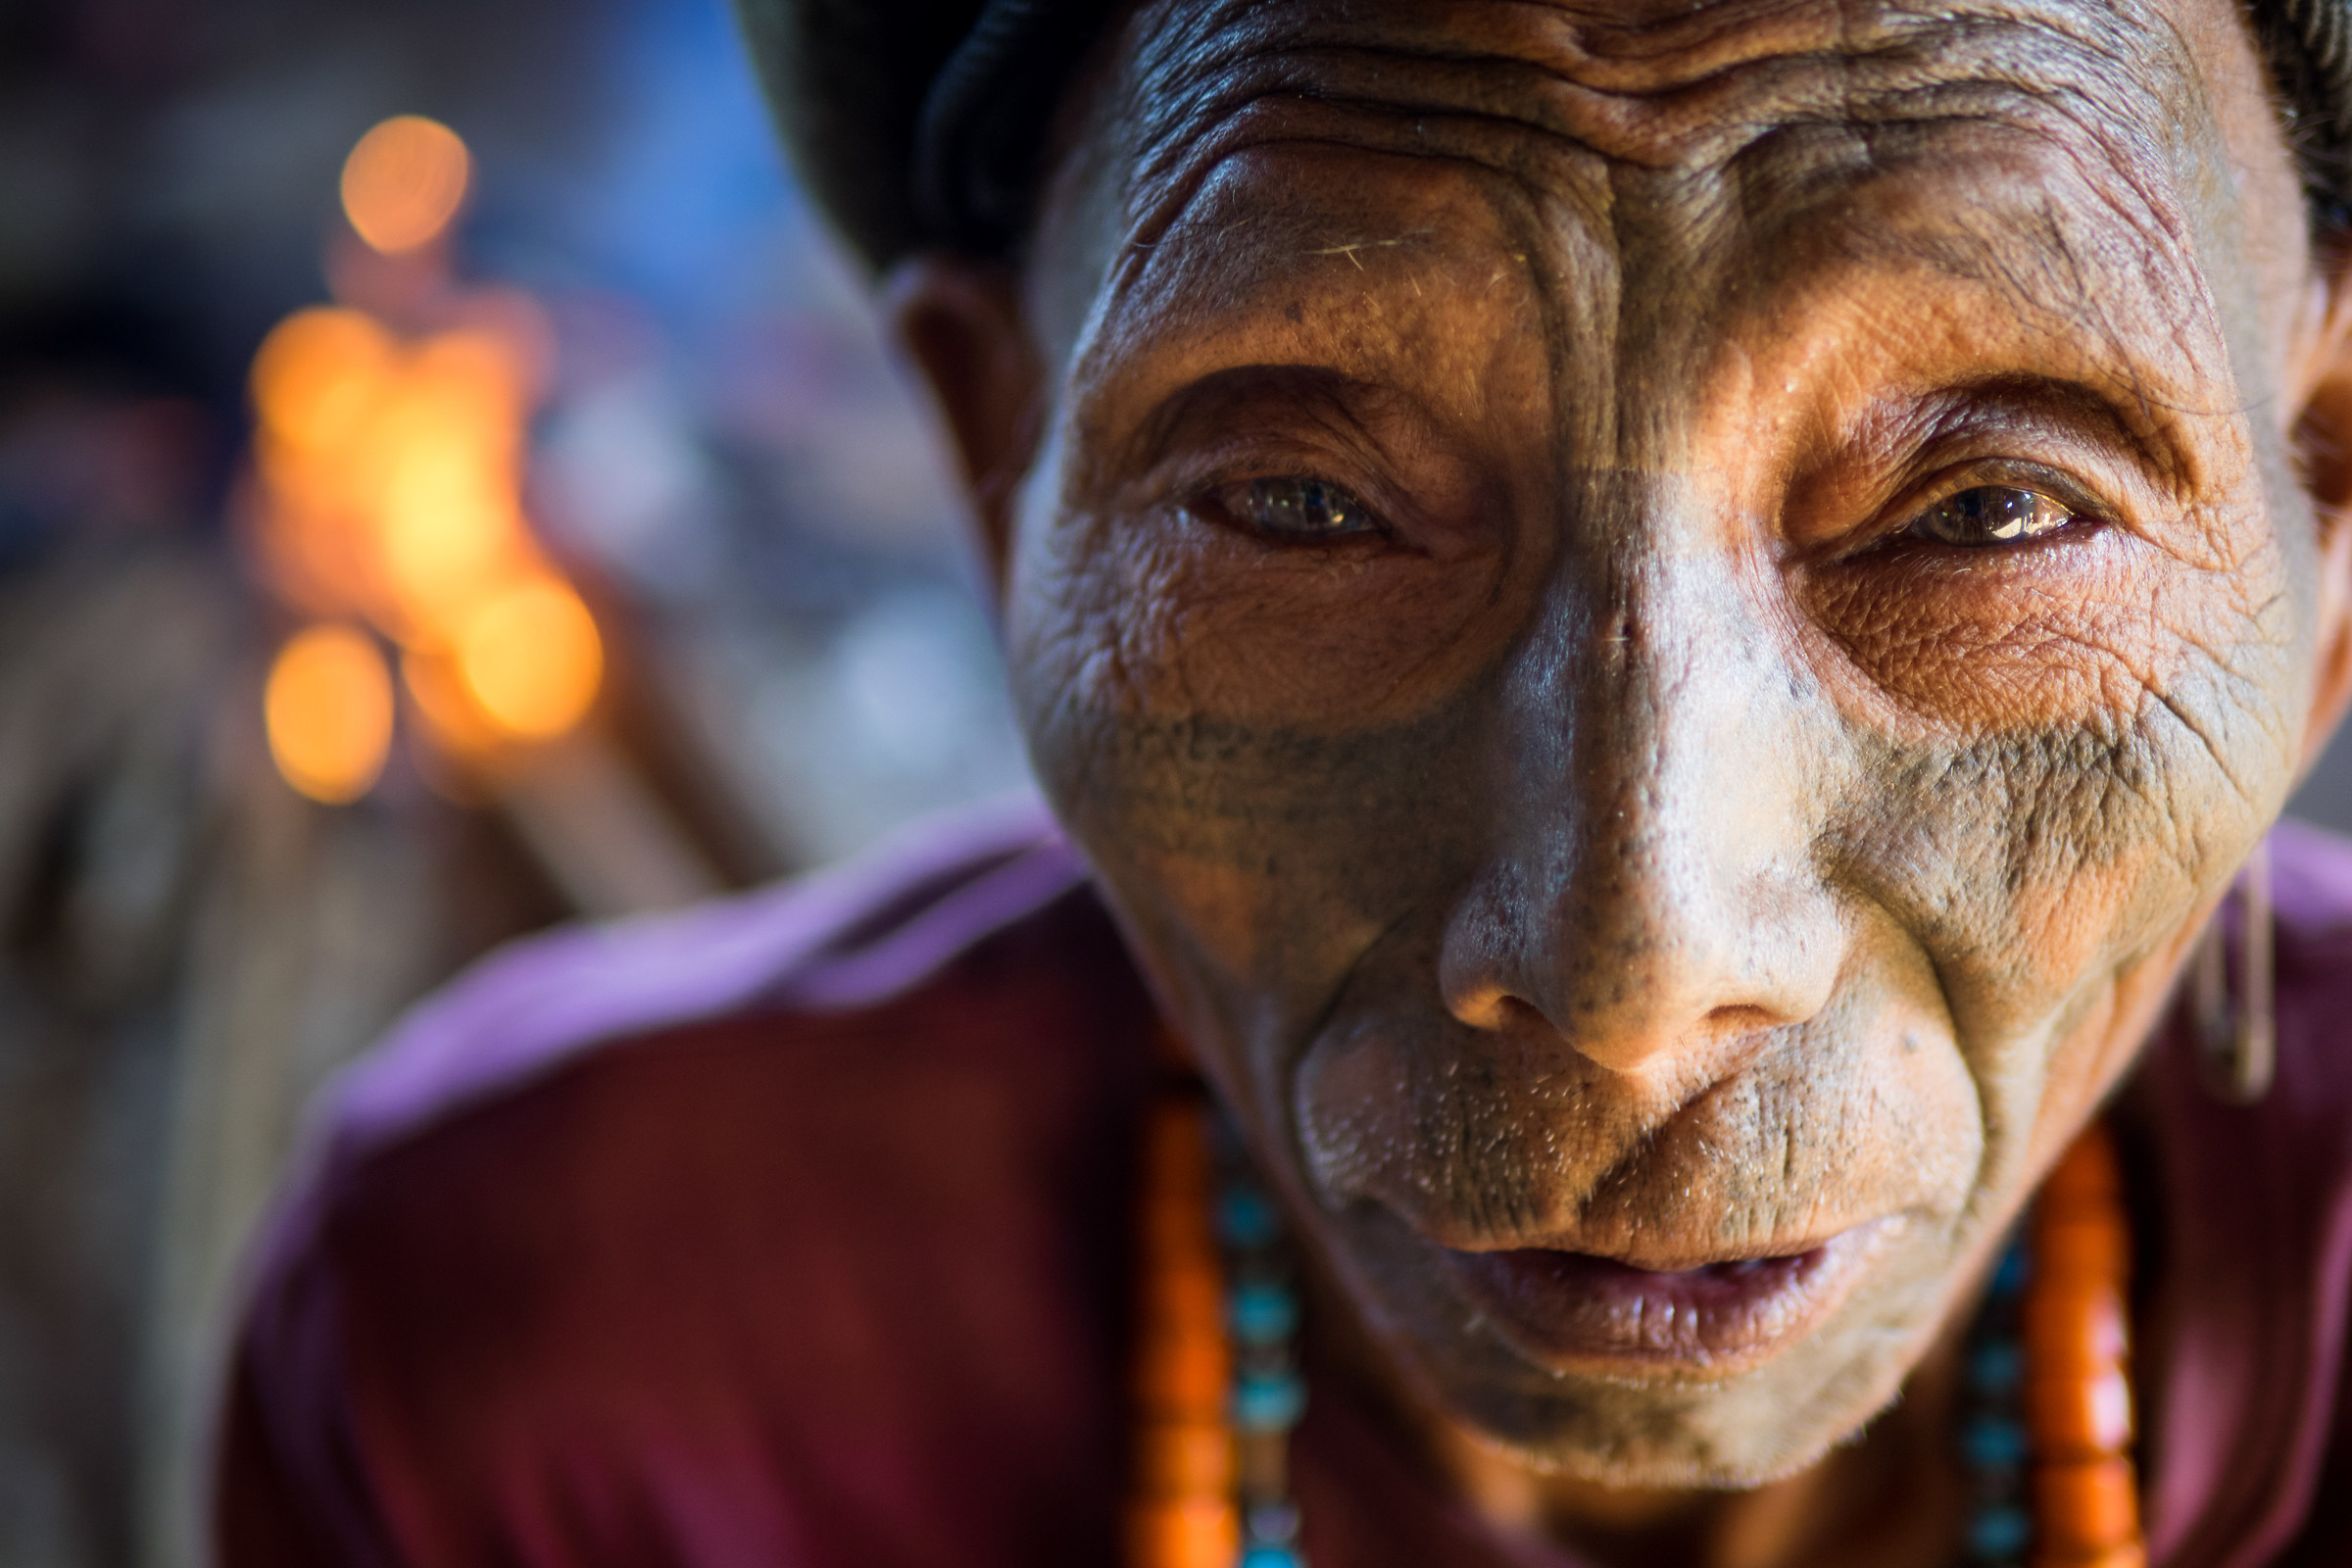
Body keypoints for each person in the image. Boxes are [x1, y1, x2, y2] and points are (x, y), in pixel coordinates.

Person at [214, 0, 2352, 1563]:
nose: (1634, 962)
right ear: (999, 476)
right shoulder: (548, 1359)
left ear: (2328, 516)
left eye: (1985, 515)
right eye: (1300, 501)